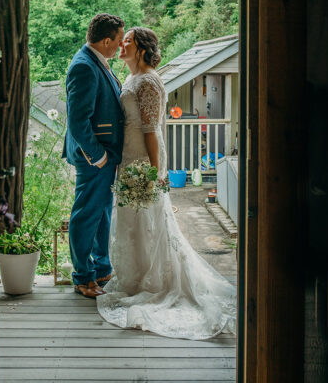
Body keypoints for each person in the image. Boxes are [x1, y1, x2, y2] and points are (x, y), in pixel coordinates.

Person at [96, 27, 237, 340]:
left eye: (128, 41)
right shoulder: (132, 79)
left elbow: (151, 130)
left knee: (150, 224)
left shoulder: (148, 81)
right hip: (128, 159)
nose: (122, 44)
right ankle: (135, 280)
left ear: (142, 48)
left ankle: (154, 284)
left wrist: (153, 173)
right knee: (134, 225)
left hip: (142, 162)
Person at [62, 13, 126, 298]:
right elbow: (78, 121)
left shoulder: (99, 62)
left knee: (101, 213)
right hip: (94, 157)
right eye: (120, 40)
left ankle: (101, 270)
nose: (121, 46)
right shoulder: (84, 67)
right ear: (107, 40)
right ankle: (82, 277)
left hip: (105, 155)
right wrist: (98, 156)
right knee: (86, 215)